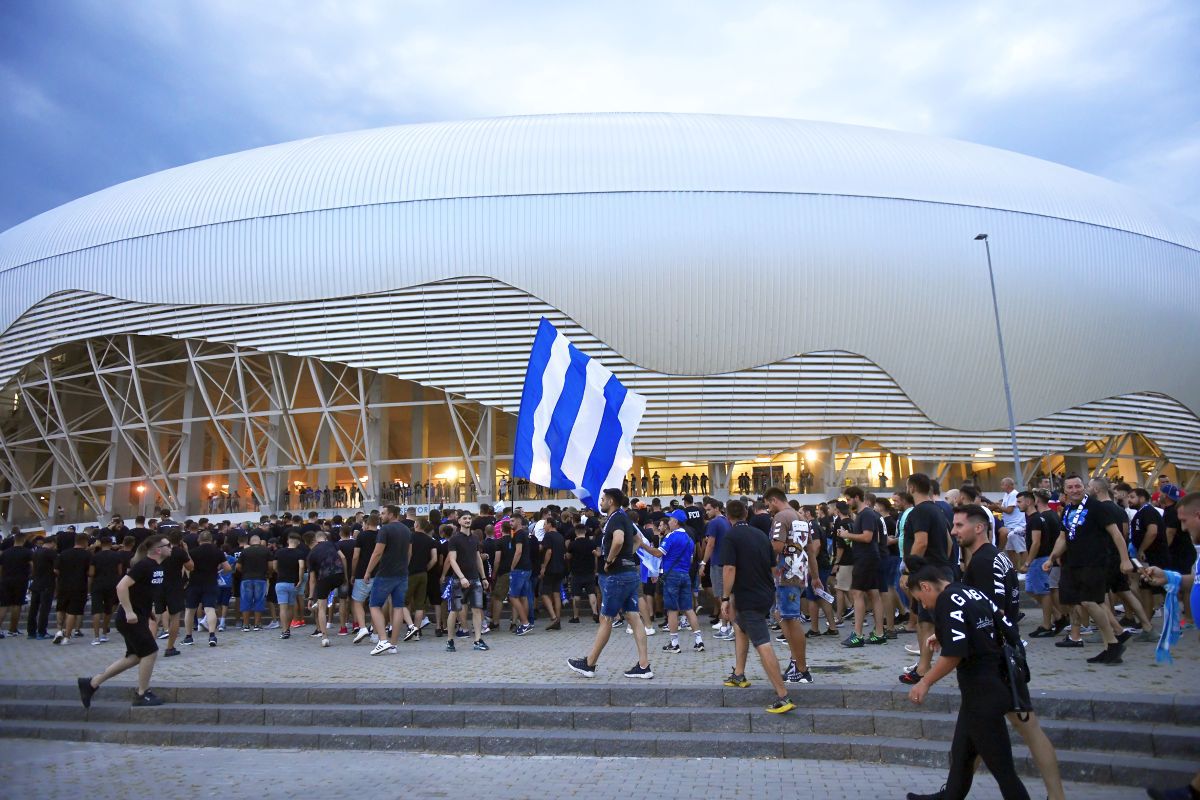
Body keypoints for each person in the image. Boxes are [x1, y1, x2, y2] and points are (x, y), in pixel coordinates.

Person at [953, 504, 1065, 800]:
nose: (954, 531)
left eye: (959, 525)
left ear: (978, 528)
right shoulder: (996, 558)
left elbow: (992, 611)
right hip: (1000, 656)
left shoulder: (984, 561)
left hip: (995, 661)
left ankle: (1056, 795)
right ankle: (952, 790)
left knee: (1024, 727)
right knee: (977, 737)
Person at [904, 556, 1032, 800]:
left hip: (983, 692)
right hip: (994, 683)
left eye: (922, 600)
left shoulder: (945, 602)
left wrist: (925, 681)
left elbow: (954, 655)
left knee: (1002, 768)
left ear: (926, 587)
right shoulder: (968, 591)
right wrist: (945, 638)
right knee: (962, 753)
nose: (926, 607)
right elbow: (1001, 622)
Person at [1043, 473, 1132, 663]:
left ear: (1084, 487)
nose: (1074, 490)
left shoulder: (1096, 507)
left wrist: (1125, 559)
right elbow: (1063, 538)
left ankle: (1113, 643)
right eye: (1070, 487)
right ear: (1064, 491)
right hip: (1073, 563)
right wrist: (1052, 558)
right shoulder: (1067, 510)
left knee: (1090, 601)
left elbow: (1117, 535)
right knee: (1088, 602)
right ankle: (1112, 643)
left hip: (1095, 562)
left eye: (1077, 486)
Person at [719, 500, 795, 714]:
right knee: (739, 626)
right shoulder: (761, 535)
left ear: (727, 517)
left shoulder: (730, 537)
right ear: (747, 513)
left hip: (748, 597)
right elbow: (774, 566)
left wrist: (725, 597)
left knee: (762, 643)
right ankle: (739, 674)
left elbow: (729, 568)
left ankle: (782, 695)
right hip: (764, 593)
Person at [78, 535, 172, 709]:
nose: (171, 547)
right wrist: (129, 611)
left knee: (134, 657)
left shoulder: (157, 567)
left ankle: (92, 683)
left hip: (139, 616)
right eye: (168, 545)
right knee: (150, 652)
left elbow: (142, 590)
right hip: (129, 619)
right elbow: (121, 586)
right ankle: (142, 693)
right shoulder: (144, 565)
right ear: (158, 550)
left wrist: (148, 610)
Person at [568, 488, 653, 679]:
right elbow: (638, 539)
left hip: (618, 576)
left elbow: (619, 540)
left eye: (604, 499)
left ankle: (589, 663)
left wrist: (610, 560)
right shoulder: (623, 517)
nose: (601, 502)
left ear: (612, 501)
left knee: (606, 618)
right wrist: (627, 556)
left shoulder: (615, 518)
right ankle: (644, 665)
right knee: (633, 617)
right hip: (629, 573)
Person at [900, 473, 954, 685]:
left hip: (928, 574)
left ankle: (924, 669)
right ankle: (923, 665)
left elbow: (921, 542)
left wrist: (908, 571)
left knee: (928, 622)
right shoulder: (938, 509)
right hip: (938, 570)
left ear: (912, 488)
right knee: (924, 620)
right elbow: (949, 542)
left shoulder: (920, 511)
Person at [765, 487, 818, 682]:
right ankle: (796, 662)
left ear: (773, 500)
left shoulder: (781, 517)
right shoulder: (801, 517)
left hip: (786, 573)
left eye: (768, 504)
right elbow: (811, 550)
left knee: (791, 619)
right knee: (783, 615)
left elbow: (776, 547)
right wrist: (816, 576)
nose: (768, 509)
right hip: (800, 572)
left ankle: (801, 667)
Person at [642, 510, 704, 653]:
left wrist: (642, 545)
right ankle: (699, 641)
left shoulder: (671, 536)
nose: (668, 522)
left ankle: (674, 643)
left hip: (672, 576)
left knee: (672, 610)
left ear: (675, 522)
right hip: (685, 575)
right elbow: (690, 558)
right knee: (688, 608)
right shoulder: (689, 538)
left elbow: (658, 553)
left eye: (670, 519)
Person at [364, 505, 413, 655]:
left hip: (385, 573)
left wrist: (368, 571)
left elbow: (377, 552)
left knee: (374, 605)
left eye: (383, 513)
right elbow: (409, 552)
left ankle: (383, 640)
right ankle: (393, 644)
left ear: (391, 514)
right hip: (402, 573)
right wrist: (404, 566)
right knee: (398, 607)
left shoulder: (385, 530)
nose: (381, 516)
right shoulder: (406, 530)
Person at [843, 486, 887, 647]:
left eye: (848, 499)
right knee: (873, 593)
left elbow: (868, 537)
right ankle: (879, 633)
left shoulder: (866, 514)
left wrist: (848, 535)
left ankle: (858, 634)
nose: (847, 502)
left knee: (857, 593)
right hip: (869, 557)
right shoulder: (864, 514)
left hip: (866, 559)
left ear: (856, 497)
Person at [443, 511, 489, 651]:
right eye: (465, 518)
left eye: (469, 518)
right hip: (458, 580)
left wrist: (483, 577)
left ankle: (478, 640)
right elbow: (452, 560)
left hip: (475, 579)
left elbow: (477, 559)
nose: (468, 520)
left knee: (476, 610)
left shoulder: (475, 538)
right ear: (459, 521)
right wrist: (461, 577)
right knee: (454, 610)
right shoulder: (454, 539)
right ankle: (450, 641)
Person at [182, 530, 228, 648]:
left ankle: (188, 637)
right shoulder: (218, 552)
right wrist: (218, 570)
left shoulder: (192, 552)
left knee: (190, 610)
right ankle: (212, 635)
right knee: (209, 609)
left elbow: (187, 567)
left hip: (194, 583)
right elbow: (227, 568)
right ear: (212, 540)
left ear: (199, 540)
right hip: (211, 582)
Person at [306, 530, 348, 648]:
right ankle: (345, 626)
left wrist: (310, 597)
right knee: (344, 598)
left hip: (323, 578)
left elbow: (313, 579)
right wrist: (345, 576)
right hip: (339, 574)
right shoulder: (331, 543)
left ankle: (324, 637)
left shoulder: (311, 555)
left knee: (321, 608)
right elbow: (343, 557)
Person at [699, 498, 732, 640]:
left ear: (716, 508)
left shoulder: (714, 523)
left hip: (717, 562)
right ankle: (725, 624)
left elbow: (710, 545)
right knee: (725, 595)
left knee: (720, 595)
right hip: (725, 561)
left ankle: (726, 625)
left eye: (708, 509)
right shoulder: (726, 521)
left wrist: (703, 562)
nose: (707, 513)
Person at [53, 532, 93, 645]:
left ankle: (59, 630)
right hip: (79, 586)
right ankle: (67, 636)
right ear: (85, 542)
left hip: (63, 585)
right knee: (72, 612)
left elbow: (56, 570)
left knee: (61, 608)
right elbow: (90, 572)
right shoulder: (87, 555)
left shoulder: (63, 554)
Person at [87, 535, 125, 645]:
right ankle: (104, 633)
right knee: (108, 610)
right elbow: (119, 572)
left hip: (98, 584)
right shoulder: (117, 556)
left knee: (96, 610)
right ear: (110, 544)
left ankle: (96, 637)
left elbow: (91, 573)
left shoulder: (95, 557)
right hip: (112, 584)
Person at [271, 533, 305, 639]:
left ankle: (284, 630)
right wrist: (300, 579)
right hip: (293, 583)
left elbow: (274, 566)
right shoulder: (300, 553)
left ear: (288, 541)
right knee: (290, 607)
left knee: (283, 608)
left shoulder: (279, 552)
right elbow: (302, 566)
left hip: (280, 582)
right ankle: (288, 628)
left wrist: (279, 572)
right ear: (298, 542)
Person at [235, 534, 270, 633]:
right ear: (259, 541)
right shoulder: (266, 550)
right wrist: (268, 573)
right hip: (260, 578)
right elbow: (271, 565)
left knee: (246, 600)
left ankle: (246, 625)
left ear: (250, 542)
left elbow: (237, 566)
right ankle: (257, 624)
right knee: (259, 600)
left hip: (246, 578)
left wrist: (244, 572)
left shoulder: (245, 551)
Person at [0, 530, 32, 637]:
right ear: (23, 540)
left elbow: (1, 567)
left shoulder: (5, 552)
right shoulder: (27, 552)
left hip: (5, 580)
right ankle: (12, 629)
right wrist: (31, 576)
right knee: (16, 604)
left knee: (3, 605)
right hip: (21, 580)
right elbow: (33, 566)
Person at [566, 523, 599, 623]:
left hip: (576, 572)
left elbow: (568, 556)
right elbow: (596, 556)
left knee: (576, 595)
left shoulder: (572, 544)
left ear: (576, 532)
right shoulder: (591, 543)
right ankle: (595, 613)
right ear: (585, 532)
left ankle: (576, 616)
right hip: (589, 571)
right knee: (591, 593)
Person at [538, 516, 566, 629]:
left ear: (550, 524)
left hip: (551, 568)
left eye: (545, 524)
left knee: (544, 593)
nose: (544, 527)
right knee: (556, 593)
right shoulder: (560, 536)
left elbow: (548, 551)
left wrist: (544, 566)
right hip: (560, 568)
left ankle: (554, 618)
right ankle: (558, 619)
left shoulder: (548, 535)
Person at [27, 535, 56, 639]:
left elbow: (33, 568)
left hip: (36, 583)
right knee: (44, 608)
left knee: (33, 609)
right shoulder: (51, 553)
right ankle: (41, 631)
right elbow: (56, 569)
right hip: (47, 583)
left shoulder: (35, 553)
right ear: (52, 542)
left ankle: (31, 632)